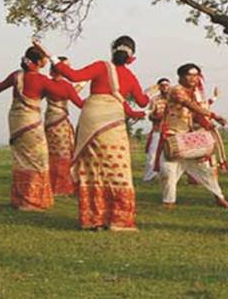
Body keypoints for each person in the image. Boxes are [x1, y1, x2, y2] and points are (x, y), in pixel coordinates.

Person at [35, 37, 149, 231]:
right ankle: (118, 220)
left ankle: (92, 219)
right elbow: (142, 102)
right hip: (113, 122)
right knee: (116, 167)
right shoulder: (130, 76)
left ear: (112, 51)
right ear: (132, 58)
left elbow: (74, 75)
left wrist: (50, 55)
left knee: (90, 166)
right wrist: (150, 95)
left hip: (91, 119)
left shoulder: (100, 66)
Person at [0, 46, 73, 211]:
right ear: (39, 62)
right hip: (31, 122)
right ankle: (32, 201)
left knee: (21, 158)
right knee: (37, 159)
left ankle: (19, 198)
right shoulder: (41, 80)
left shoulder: (16, 75)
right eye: (44, 59)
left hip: (15, 121)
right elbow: (62, 91)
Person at [158, 63, 228, 210]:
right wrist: (213, 115)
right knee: (168, 170)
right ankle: (168, 202)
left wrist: (208, 124)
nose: (194, 78)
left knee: (207, 170)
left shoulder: (193, 93)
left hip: (187, 139)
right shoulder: (176, 90)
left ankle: (219, 198)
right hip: (172, 135)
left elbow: (196, 114)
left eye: (196, 75)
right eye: (190, 75)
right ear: (180, 76)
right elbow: (189, 105)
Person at [44, 57, 84, 196]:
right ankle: (62, 187)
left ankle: (50, 184)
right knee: (63, 154)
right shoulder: (66, 86)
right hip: (60, 123)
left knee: (51, 154)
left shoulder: (46, 83)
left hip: (49, 121)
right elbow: (79, 103)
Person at [143, 78, 171, 183]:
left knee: (172, 155)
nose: (165, 87)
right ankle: (150, 177)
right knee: (152, 155)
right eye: (162, 85)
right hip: (158, 130)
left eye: (167, 85)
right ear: (159, 87)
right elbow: (150, 115)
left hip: (172, 131)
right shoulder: (155, 100)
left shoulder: (175, 98)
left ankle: (169, 177)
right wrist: (157, 117)